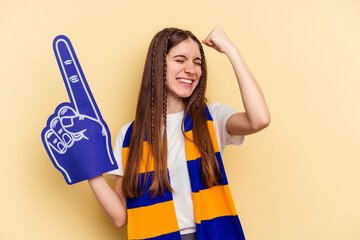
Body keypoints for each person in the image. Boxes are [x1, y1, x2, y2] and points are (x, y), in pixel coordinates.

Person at [88, 27, 270, 240]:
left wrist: (231, 50)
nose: (191, 69)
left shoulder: (211, 118)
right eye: (180, 60)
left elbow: (259, 119)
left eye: (197, 62)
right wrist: (88, 167)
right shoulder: (130, 135)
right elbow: (120, 217)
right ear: (159, 66)